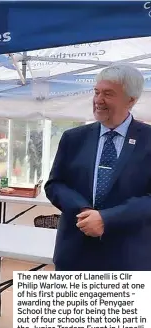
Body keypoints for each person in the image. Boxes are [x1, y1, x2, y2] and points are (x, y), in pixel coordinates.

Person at [44, 63, 151, 271]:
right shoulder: (73, 138)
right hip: (75, 254)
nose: (98, 100)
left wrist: (106, 219)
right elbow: (55, 184)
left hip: (128, 258)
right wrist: (83, 209)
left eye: (108, 94)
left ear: (131, 100)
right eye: (96, 92)